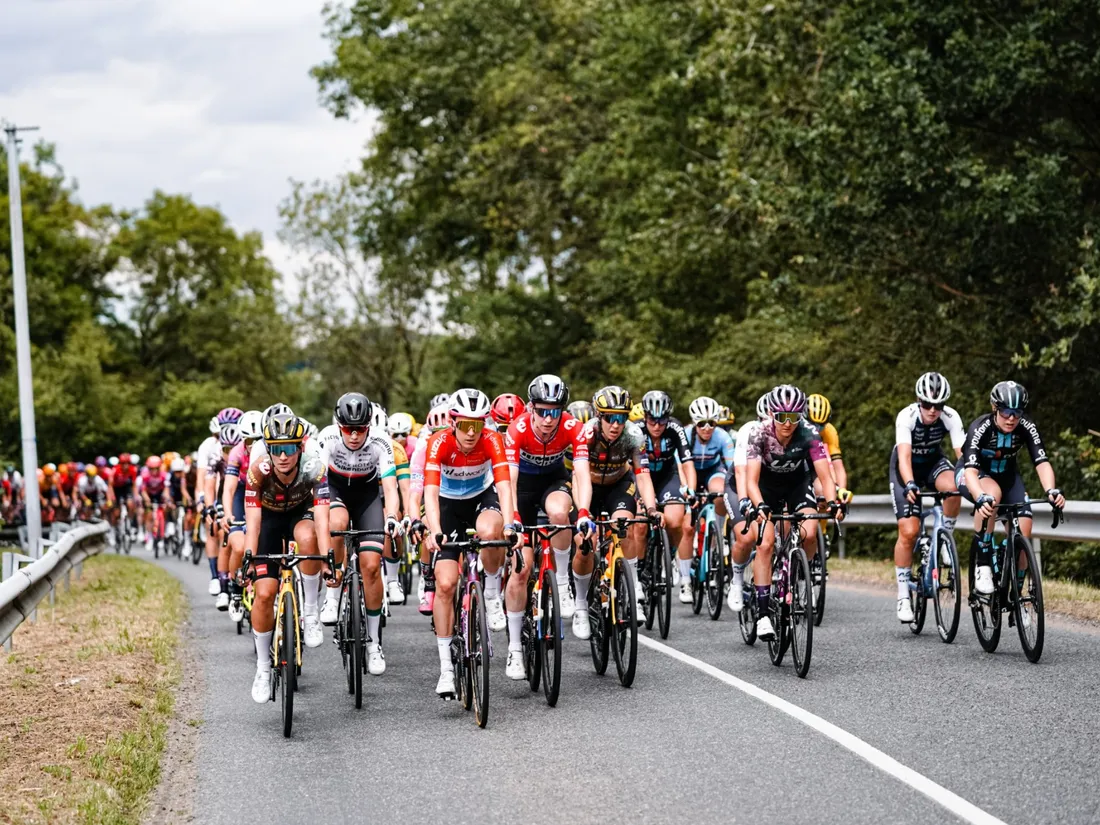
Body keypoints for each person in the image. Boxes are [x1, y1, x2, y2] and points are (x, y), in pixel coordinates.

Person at [416, 389, 516, 696]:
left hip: (479, 500)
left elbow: (503, 485)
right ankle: (446, 668)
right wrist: (434, 530)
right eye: (465, 425)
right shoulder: (438, 443)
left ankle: (490, 595)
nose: (472, 433)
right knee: (445, 585)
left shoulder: (492, 439)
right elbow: (430, 495)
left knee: (492, 531)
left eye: (478, 425)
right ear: (453, 422)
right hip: (447, 506)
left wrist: (511, 524)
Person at [504, 374, 590, 675]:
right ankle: (514, 650)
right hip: (522, 489)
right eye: (542, 411)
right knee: (521, 568)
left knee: (558, 514)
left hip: (553, 482)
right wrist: (512, 516)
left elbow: (581, 474)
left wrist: (583, 511)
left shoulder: (572, 427)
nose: (548, 419)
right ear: (531, 408)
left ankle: (563, 583)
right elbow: (509, 481)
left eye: (555, 411)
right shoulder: (517, 429)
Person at [244, 412, 331, 703]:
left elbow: (321, 519)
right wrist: (248, 556)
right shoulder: (258, 471)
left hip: (300, 514)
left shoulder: (314, 468)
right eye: (277, 449)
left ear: (300, 448)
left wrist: (328, 553)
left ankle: (309, 611)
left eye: (290, 448)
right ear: (268, 449)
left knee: (308, 538)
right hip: (268, 520)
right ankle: (263, 669)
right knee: (265, 593)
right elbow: (253, 522)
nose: (284, 456)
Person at [744, 385, 840, 641]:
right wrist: (760, 505)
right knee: (765, 543)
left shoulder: (809, 433)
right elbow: (751, 481)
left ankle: (799, 574)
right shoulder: (759, 433)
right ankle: (763, 613)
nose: (788, 423)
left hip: (797, 485)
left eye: (794, 417)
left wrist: (832, 503)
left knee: (810, 533)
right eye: (781, 417)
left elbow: (825, 476)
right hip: (766, 488)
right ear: (772, 414)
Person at [316, 393, 401, 674]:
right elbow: (317, 483)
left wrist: (391, 517)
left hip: (366, 495)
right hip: (336, 489)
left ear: (369, 426)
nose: (353, 436)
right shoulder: (326, 438)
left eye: (360, 429)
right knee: (336, 523)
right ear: (338, 425)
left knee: (372, 567)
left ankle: (374, 642)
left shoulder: (380, 441)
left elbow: (389, 487)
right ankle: (332, 594)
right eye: (348, 429)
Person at [957, 381, 1065, 595]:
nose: (1011, 418)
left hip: (1008, 477)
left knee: (1024, 529)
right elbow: (970, 471)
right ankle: (983, 562)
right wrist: (979, 497)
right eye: (1006, 412)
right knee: (991, 496)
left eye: (1017, 413)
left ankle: (1017, 593)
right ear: (995, 409)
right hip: (974, 474)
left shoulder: (1026, 426)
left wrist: (1051, 490)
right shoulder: (980, 428)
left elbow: (1041, 462)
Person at [571, 386, 658, 626]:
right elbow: (578, 477)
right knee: (585, 544)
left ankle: (633, 592)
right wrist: (583, 513)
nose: (616, 424)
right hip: (587, 486)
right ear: (599, 416)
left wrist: (651, 508)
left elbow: (642, 475)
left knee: (625, 527)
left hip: (618, 486)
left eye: (621, 418)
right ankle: (580, 603)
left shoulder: (634, 435)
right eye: (610, 417)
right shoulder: (585, 434)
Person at [889, 373, 965, 621]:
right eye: (927, 404)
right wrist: (910, 483)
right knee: (909, 532)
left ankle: (944, 539)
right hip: (906, 468)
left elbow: (963, 457)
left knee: (956, 487)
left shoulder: (951, 417)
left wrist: (973, 480)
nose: (933, 410)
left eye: (939, 405)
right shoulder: (907, 416)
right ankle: (902, 596)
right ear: (918, 401)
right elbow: (904, 458)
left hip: (933, 463)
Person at [637, 390, 696, 603]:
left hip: (666, 476)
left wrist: (690, 489)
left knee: (674, 519)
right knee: (641, 524)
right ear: (645, 416)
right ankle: (640, 569)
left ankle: (668, 555)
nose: (657, 425)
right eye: (652, 419)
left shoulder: (675, 428)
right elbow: (627, 466)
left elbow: (687, 462)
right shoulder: (636, 431)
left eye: (662, 420)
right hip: (641, 477)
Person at [724, 393, 771, 610]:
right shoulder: (749, 432)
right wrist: (744, 501)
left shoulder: (790, 434)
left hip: (767, 487)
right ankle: (736, 580)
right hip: (739, 485)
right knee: (746, 537)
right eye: (766, 420)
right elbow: (742, 474)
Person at [221, 410, 262, 615]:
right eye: (249, 440)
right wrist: (228, 513)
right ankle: (236, 592)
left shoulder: (270, 450)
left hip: (263, 494)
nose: (253, 444)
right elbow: (229, 487)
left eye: (258, 439)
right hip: (241, 492)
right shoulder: (237, 452)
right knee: (238, 546)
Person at [806, 394, 851, 504]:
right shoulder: (795, 428)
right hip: (796, 463)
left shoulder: (829, 431)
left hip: (815, 463)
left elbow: (838, 466)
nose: (815, 430)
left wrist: (841, 489)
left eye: (820, 425)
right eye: (812, 424)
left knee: (826, 490)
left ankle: (823, 519)